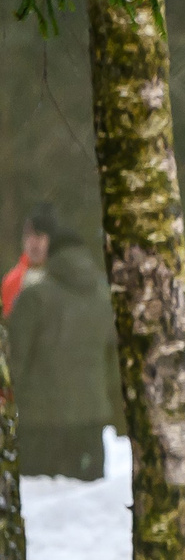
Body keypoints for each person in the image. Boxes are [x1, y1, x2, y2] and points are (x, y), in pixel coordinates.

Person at [4, 204, 122, 480]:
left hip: (40, 426)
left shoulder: (34, 295)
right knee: (85, 509)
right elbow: (113, 362)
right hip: (91, 422)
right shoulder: (105, 297)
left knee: (45, 504)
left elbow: (14, 359)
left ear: (51, 249)